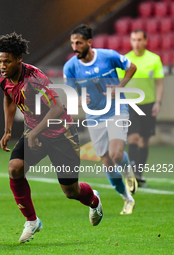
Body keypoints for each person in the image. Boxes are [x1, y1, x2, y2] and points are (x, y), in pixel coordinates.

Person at [0, 32, 103, 244]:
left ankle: (94, 200)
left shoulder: (35, 80)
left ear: (19, 59)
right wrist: (7, 130)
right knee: (15, 167)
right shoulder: (4, 79)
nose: (3, 66)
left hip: (62, 134)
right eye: (0, 61)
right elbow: (9, 99)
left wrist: (34, 132)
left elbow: (57, 108)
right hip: (35, 132)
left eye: (7, 61)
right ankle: (32, 221)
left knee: (71, 191)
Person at [63, 24, 138, 215]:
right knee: (106, 161)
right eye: (72, 43)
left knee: (116, 154)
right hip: (94, 115)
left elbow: (132, 67)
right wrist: (79, 101)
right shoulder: (70, 67)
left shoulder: (108, 56)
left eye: (78, 42)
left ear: (89, 42)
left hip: (116, 109)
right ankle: (127, 199)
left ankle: (129, 173)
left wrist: (120, 86)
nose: (75, 47)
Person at [117, 29, 164, 187]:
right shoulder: (125, 60)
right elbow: (119, 83)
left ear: (145, 41)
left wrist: (158, 102)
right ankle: (132, 175)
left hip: (148, 104)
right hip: (130, 104)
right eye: (134, 40)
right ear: (130, 42)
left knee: (144, 140)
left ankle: (139, 173)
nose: (137, 43)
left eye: (139, 40)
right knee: (133, 138)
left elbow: (159, 83)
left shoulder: (154, 59)